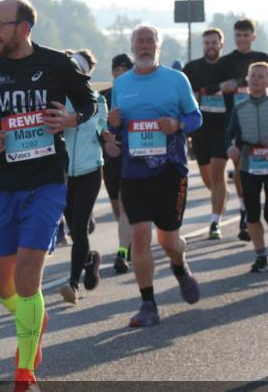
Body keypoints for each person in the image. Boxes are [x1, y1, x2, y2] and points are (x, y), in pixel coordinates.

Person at [0, 0, 97, 392]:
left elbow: (90, 102)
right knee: (3, 285)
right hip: (0, 184)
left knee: (27, 279)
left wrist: (72, 118)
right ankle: (32, 321)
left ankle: (25, 375)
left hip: (46, 181)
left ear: (24, 27)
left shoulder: (58, 63)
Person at [108, 24, 202, 327]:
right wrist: (112, 126)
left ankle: (180, 267)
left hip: (169, 170)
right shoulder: (122, 83)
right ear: (133, 47)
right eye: (140, 41)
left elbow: (196, 117)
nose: (145, 46)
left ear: (158, 47)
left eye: (150, 41)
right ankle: (148, 303)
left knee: (170, 241)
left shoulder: (176, 79)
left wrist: (176, 125)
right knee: (139, 237)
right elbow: (115, 129)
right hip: (133, 171)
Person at [207, 19, 268, 242]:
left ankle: (247, 214)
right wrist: (222, 87)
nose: (241, 39)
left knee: (247, 173)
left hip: (262, 125)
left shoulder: (263, 59)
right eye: (238, 35)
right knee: (238, 171)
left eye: (246, 35)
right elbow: (209, 88)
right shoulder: (226, 61)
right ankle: (246, 211)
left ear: (253, 37)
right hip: (235, 121)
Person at [224, 62, 268, 272]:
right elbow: (229, 133)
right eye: (253, 76)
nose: (256, 80)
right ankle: (260, 255)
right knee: (252, 213)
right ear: (247, 79)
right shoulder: (240, 107)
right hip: (249, 162)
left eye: (261, 76)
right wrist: (230, 147)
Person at [60, 49, 109, 303]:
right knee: (74, 230)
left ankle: (72, 284)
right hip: (66, 173)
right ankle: (90, 260)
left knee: (79, 226)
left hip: (91, 170)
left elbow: (103, 129)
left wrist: (109, 138)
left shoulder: (98, 102)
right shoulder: (58, 101)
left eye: (79, 70)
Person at [183, 28, 228, 239]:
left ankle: (215, 223)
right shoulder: (192, 68)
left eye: (214, 42)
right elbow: (183, 98)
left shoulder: (228, 66)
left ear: (221, 44)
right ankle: (220, 197)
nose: (210, 46)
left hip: (223, 127)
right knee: (209, 179)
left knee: (218, 174)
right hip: (200, 129)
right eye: (207, 43)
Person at [103, 54, 134, 272]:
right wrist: (105, 141)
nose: (120, 72)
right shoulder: (102, 97)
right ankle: (128, 239)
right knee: (117, 206)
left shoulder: (137, 95)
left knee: (126, 205)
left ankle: (123, 251)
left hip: (132, 156)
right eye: (117, 69)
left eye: (125, 68)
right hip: (110, 158)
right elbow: (95, 127)